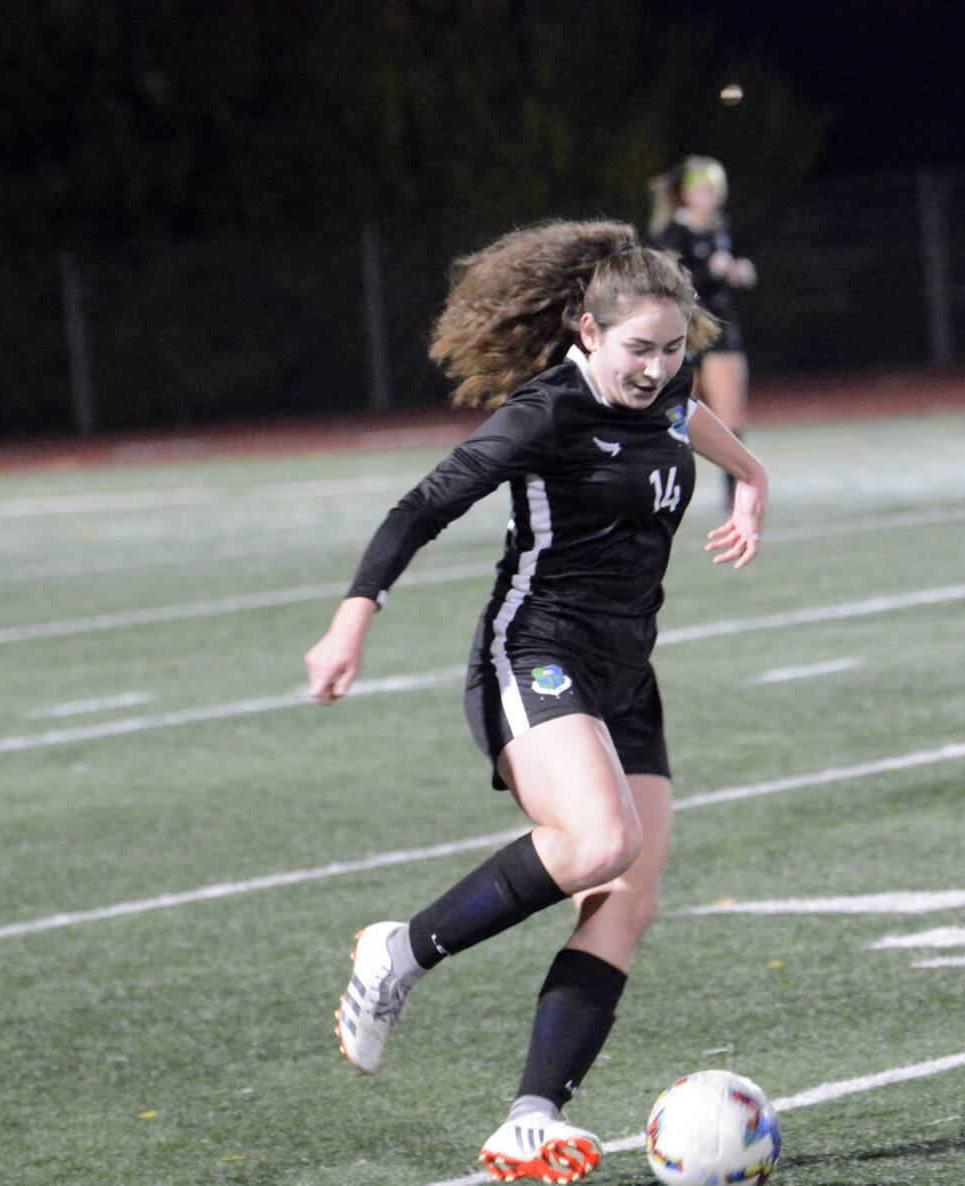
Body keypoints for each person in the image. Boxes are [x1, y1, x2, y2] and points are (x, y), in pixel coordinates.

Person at [304, 220, 767, 1184]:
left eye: (674, 348)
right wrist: (352, 622)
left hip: (624, 677)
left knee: (625, 900)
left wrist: (752, 480)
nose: (658, 368)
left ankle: (529, 1118)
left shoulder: (671, 389)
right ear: (586, 333)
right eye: (637, 348)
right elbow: (418, 509)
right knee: (599, 842)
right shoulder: (543, 414)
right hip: (536, 654)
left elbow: (691, 422)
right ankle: (403, 950)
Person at [649, 156, 756, 507]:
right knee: (674, 415)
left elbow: (726, 271)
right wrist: (709, 272)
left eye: (715, 188)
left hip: (721, 329)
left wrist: (738, 271)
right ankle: (663, 490)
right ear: (686, 193)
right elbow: (665, 284)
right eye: (702, 187)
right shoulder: (672, 233)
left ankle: (734, 494)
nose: (710, 194)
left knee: (729, 415)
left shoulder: (720, 228)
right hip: (682, 331)